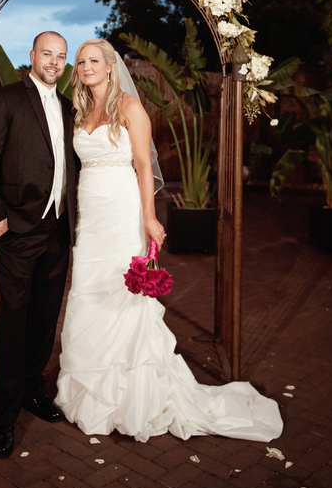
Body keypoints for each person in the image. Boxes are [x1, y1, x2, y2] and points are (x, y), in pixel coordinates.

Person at [55, 38, 283, 444]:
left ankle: (132, 393)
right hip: (90, 216)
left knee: (123, 296)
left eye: (94, 61)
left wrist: (148, 217)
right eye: (81, 62)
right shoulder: (78, 108)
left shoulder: (129, 107)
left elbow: (144, 167)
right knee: (88, 291)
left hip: (123, 212)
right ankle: (92, 389)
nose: (87, 67)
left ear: (110, 66)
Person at [0, 31, 78, 458]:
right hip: (16, 228)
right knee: (14, 320)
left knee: (45, 316)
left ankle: (34, 391)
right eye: (46, 54)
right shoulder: (7, 97)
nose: (53, 62)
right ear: (32, 56)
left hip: (57, 229)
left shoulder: (69, 107)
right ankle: (4, 418)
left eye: (60, 56)